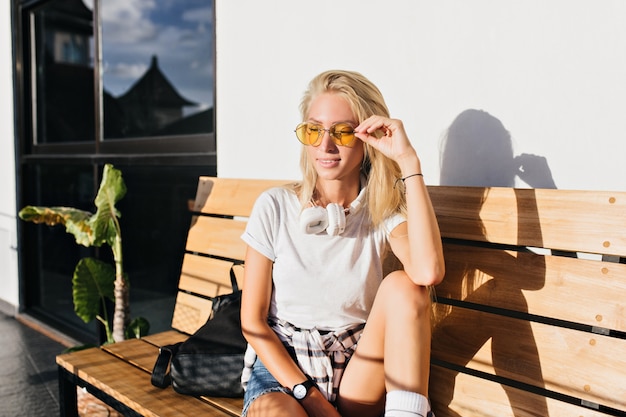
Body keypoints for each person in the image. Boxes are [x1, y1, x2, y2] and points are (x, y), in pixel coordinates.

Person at [240, 69, 445, 417]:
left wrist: (409, 161)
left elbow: (427, 272)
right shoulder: (275, 206)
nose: (325, 145)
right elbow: (252, 324)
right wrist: (311, 399)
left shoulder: (381, 209)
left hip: (358, 367)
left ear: (368, 137)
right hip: (286, 372)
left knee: (405, 286)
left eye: (343, 132)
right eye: (314, 130)